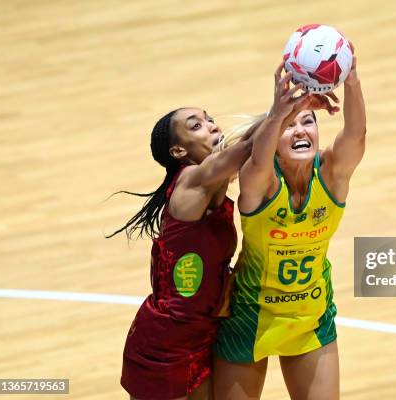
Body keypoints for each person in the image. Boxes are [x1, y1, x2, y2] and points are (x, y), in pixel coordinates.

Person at [214, 56, 366, 400]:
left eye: (308, 122)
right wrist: (276, 112)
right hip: (249, 319)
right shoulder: (261, 184)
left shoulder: (331, 176)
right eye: (289, 126)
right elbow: (256, 160)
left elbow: (356, 134)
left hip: (310, 317)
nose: (301, 130)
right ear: (275, 143)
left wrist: (351, 80)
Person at [107, 106, 263, 400]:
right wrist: (289, 103)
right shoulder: (191, 180)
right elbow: (249, 145)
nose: (212, 126)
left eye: (210, 120)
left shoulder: (212, 186)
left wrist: (290, 105)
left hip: (202, 335)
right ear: (179, 151)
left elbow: (251, 140)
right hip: (165, 342)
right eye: (196, 126)